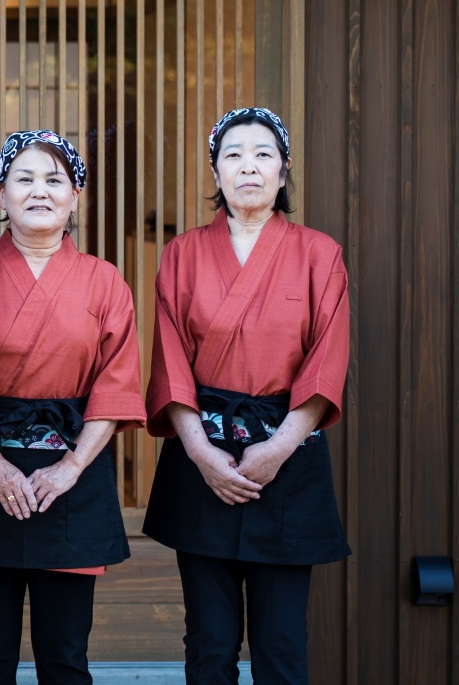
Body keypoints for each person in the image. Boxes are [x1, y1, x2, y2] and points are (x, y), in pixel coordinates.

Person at [0, 130, 145, 685]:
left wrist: (70, 467)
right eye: (24, 179)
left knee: (65, 656)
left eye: (54, 180)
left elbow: (116, 386)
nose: (39, 191)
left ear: (75, 195)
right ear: (1, 195)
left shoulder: (105, 280)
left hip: (73, 476)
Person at [141, 107, 351, 685]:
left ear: (283, 173)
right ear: (216, 171)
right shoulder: (183, 253)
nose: (248, 167)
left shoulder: (319, 253)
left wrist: (277, 448)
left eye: (263, 155)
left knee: (281, 646)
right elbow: (170, 362)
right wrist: (203, 455)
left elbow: (326, 362)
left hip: (287, 457)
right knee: (209, 643)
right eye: (232, 155)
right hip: (201, 456)